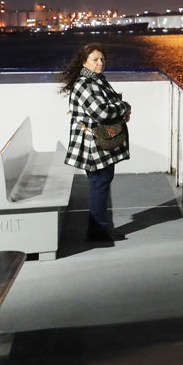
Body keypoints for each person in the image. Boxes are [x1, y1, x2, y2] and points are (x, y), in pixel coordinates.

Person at [59, 43, 132, 242]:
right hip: (93, 144)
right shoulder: (85, 84)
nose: (100, 63)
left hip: (98, 143)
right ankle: (98, 231)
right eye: (95, 59)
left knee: (101, 183)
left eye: (102, 59)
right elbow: (102, 112)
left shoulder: (97, 80)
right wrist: (124, 107)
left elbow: (108, 104)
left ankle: (99, 228)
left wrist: (118, 107)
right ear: (84, 62)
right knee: (99, 184)